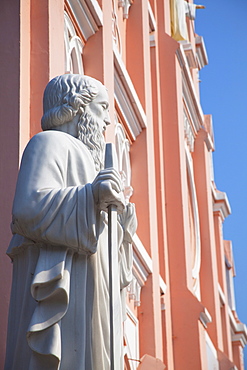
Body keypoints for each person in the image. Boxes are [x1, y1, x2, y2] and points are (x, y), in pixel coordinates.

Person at [4, 74, 137, 370]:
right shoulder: (49, 143)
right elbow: (28, 208)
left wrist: (122, 225)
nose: (107, 123)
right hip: (66, 289)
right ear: (77, 107)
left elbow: (116, 266)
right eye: (102, 108)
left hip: (95, 293)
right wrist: (91, 196)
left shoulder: (94, 165)